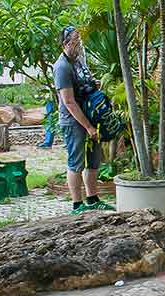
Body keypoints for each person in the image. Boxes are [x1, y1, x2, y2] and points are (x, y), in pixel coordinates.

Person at [53, 25, 115, 214]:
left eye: (80, 40)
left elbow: (85, 81)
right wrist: (88, 127)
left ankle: (93, 198)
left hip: (90, 116)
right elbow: (69, 102)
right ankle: (77, 205)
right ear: (66, 43)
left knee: (94, 160)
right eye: (75, 41)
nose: (79, 44)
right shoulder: (62, 67)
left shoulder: (79, 60)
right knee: (76, 162)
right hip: (74, 121)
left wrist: (92, 84)